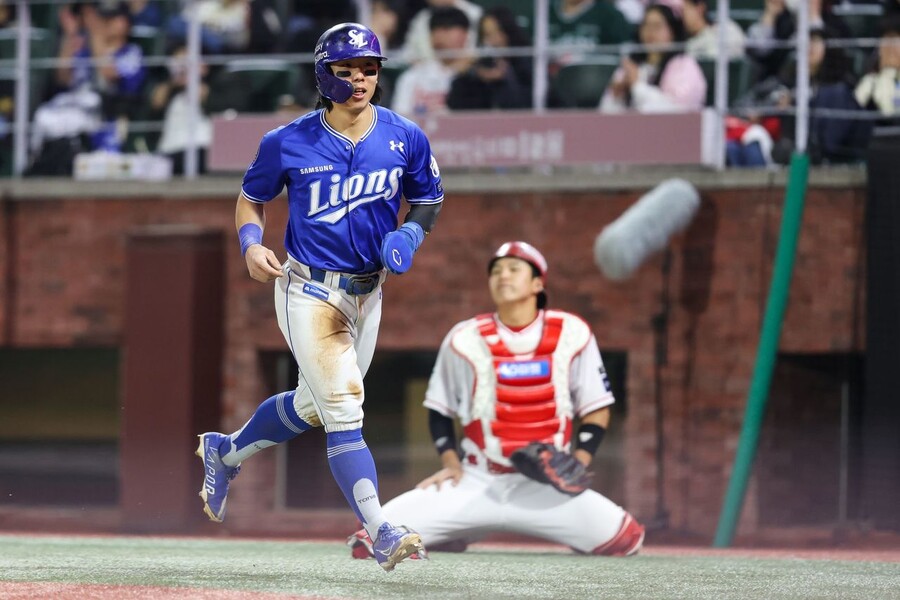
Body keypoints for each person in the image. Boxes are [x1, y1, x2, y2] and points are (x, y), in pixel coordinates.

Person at [195, 22, 443, 573]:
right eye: (346, 70)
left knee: (313, 405)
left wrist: (410, 233)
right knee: (343, 406)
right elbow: (250, 199)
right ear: (322, 73)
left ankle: (226, 451)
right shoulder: (287, 139)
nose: (360, 79)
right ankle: (380, 529)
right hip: (307, 287)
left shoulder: (405, 135)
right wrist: (250, 244)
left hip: (369, 293)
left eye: (370, 69)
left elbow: (428, 196)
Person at [347, 241, 645, 560]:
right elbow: (439, 408)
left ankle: (464, 529)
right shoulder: (465, 336)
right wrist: (450, 463)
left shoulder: (572, 332)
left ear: (537, 283)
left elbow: (596, 406)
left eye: (514, 269)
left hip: (546, 487)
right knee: (373, 541)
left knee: (625, 541)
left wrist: (578, 463)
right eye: (496, 271)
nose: (503, 276)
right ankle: (456, 527)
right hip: (477, 481)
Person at [599, 2, 707, 113]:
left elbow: (677, 112)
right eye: (646, 25)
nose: (650, 32)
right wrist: (617, 97)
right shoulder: (631, 66)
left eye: (657, 26)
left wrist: (637, 86)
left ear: (673, 31)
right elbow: (605, 112)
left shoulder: (684, 65)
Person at [446, 6, 534, 110]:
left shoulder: (527, 62)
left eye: (499, 32)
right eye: (487, 35)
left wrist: (507, 77)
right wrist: (477, 75)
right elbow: (455, 103)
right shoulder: (477, 66)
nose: (494, 40)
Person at [391, 6, 472, 119]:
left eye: (447, 28)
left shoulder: (477, 78)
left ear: (465, 34)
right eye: (434, 29)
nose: (439, 35)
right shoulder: (411, 77)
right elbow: (399, 119)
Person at [682, 0, 746, 60]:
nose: (678, 16)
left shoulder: (727, 28)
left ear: (700, 8)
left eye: (682, 10)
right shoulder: (684, 46)